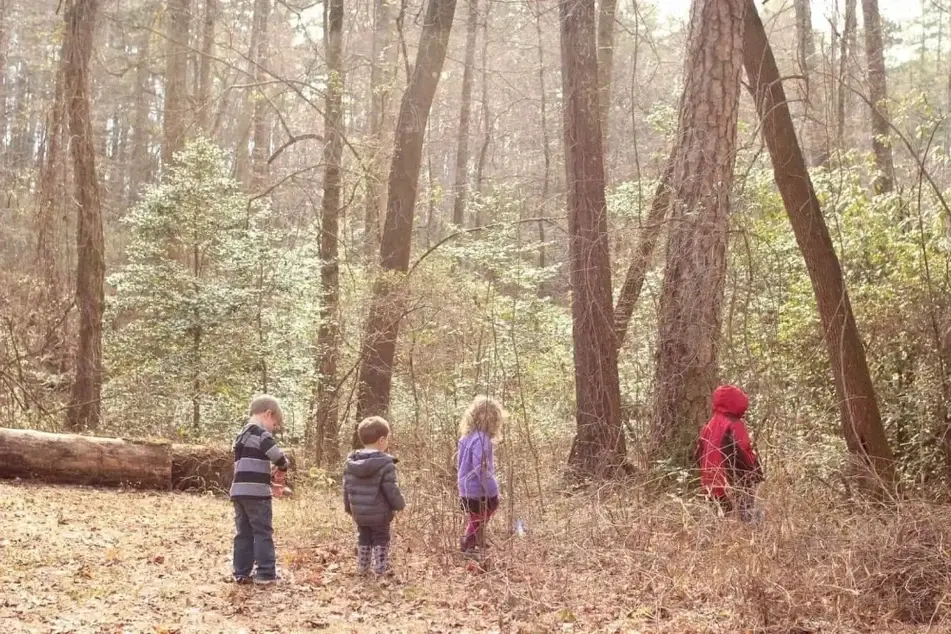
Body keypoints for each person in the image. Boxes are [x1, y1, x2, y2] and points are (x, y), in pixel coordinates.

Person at [230, 394, 291, 586]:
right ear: (268, 414)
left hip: (239, 492)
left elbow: (245, 468)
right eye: (275, 424)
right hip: (257, 496)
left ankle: (241, 572)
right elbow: (277, 456)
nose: (273, 428)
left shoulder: (241, 436)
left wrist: (267, 481)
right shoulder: (262, 434)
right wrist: (283, 468)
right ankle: (266, 573)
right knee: (262, 532)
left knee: (243, 532)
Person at [344, 416, 406, 576]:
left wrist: (349, 508)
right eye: (387, 439)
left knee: (364, 536)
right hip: (380, 513)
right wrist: (399, 504)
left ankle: (363, 567)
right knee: (381, 537)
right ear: (382, 440)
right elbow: (390, 489)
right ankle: (381, 567)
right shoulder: (385, 464)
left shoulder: (351, 462)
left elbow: (346, 488)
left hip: (359, 512)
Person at [697, 385, 764, 523]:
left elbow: (699, 454)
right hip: (733, 483)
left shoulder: (708, 426)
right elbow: (744, 452)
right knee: (748, 518)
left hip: (711, 484)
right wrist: (756, 473)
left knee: (718, 522)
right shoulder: (734, 424)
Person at [456, 395, 505, 552]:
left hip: (465, 487)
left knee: (477, 515)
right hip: (477, 489)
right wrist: (492, 488)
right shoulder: (482, 439)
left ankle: (479, 539)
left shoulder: (466, 437)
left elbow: (461, 463)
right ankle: (468, 541)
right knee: (486, 510)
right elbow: (480, 467)